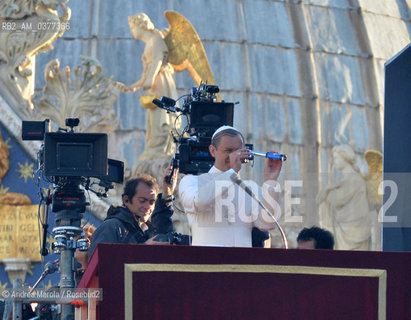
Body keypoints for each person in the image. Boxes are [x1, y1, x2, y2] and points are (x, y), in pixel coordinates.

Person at [178, 125, 283, 247]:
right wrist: (232, 172)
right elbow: (200, 202)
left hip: (241, 263)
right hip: (207, 262)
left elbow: (267, 224)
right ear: (213, 151)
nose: (234, 156)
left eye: (238, 151)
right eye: (228, 151)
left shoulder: (250, 188)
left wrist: (270, 182)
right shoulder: (192, 181)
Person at [118, 13, 179, 160]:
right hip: (155, 84)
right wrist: (130, 87)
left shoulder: (156, 39)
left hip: (161, 83)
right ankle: (155, 148)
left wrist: (151, 79)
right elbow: (146, 74)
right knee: (154, 118)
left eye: (132, 27)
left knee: (161, 118)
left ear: (141, 25)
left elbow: (158, 60)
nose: (132, 30)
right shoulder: (149, 43)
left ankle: (161, 150)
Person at [88, 168, 178, 260]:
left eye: (152, 202)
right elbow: (99, 265)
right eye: (142, 201)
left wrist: (167, 193)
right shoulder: (111, 227)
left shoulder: (151, 231)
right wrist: (142, 250)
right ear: (126, 200)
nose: (148, 206)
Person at [317, 145, 371, 250]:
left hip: (354, 230)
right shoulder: (344, 180)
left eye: (336, 158)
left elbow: (338, 200)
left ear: (345, 159)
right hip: (345, 229)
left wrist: (328, 190)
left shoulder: (354, 180)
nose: (334, 161)